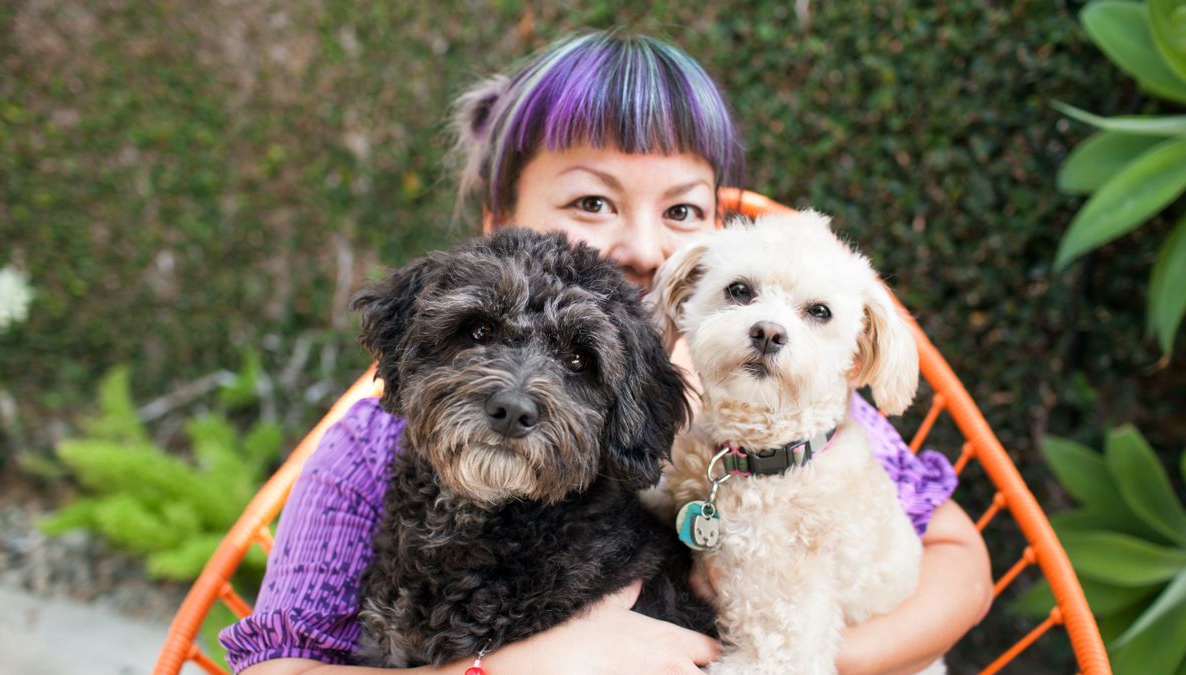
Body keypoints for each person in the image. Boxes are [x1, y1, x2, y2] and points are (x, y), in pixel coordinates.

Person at [220, 32, 992, 675]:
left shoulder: (770, 410)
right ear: (502, 218)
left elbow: (959, 557)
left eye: (684, 210)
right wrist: (532, 663)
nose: (645, 246)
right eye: (592, 201)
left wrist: (798, 651)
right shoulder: (371, 446)